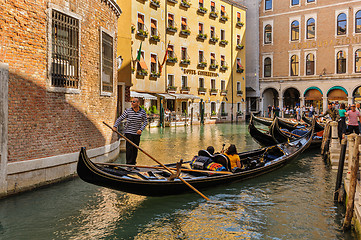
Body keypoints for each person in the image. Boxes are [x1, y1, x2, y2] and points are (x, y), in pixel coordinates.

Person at [113, 98, 148, 165]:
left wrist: (141, 129)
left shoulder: (142, 112)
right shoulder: (128, 111)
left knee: (135, 148)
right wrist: (115, 126)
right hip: (128, 132)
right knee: (129, 148)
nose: (132, 103)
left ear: (138, 103)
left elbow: (145, 122)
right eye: (131, 101)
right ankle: (128, 164)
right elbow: (120, 118)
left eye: (134, 102)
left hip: (137, 133)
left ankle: (133, 163)